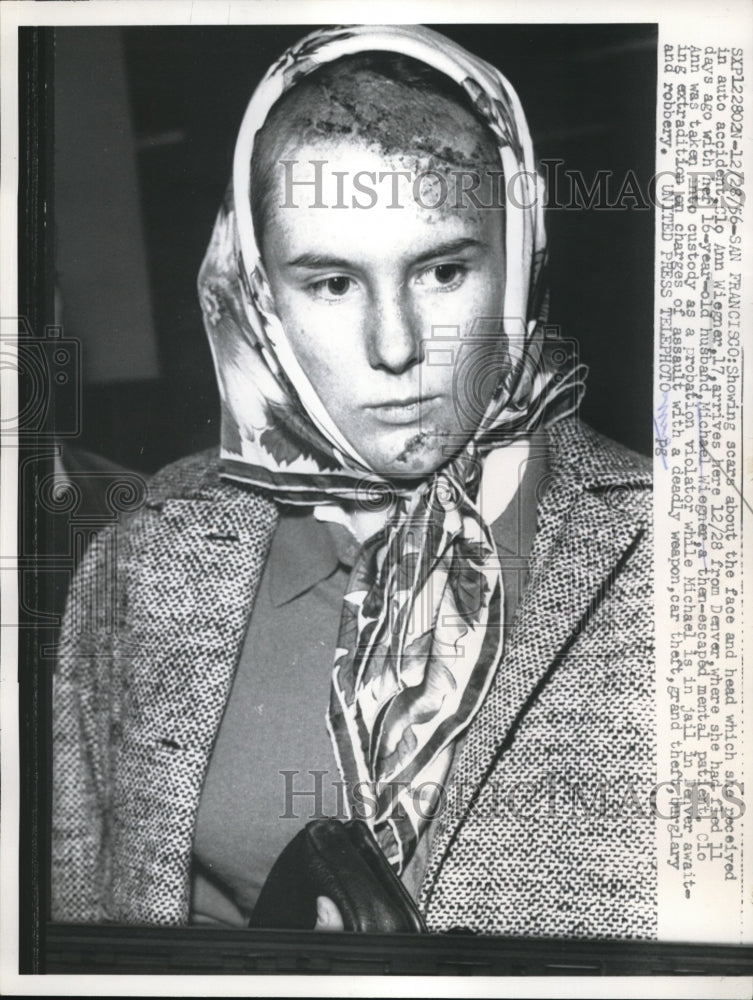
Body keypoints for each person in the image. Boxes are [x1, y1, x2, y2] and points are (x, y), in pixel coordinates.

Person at [51, 24, 655, 939]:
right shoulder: (145, 557)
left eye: (444, 268)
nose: (396, 347)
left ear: (519, 258)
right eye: (331, 283)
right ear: (257, 297)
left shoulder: (686, 558)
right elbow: (80, 918)